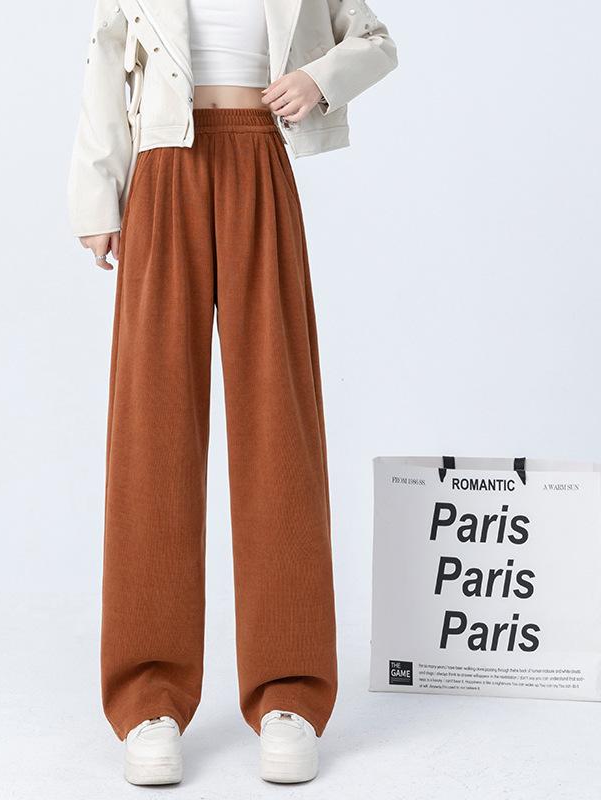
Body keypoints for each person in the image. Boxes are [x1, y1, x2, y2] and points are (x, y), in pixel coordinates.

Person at [67, 0, 397, 785]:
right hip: (161, 172)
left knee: (279, 427)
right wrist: (96, 195)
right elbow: (104, 64)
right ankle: (148, 699)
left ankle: (290, 695)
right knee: (151, 432)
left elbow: (376, 41)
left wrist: (320, 79)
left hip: (260, 161)